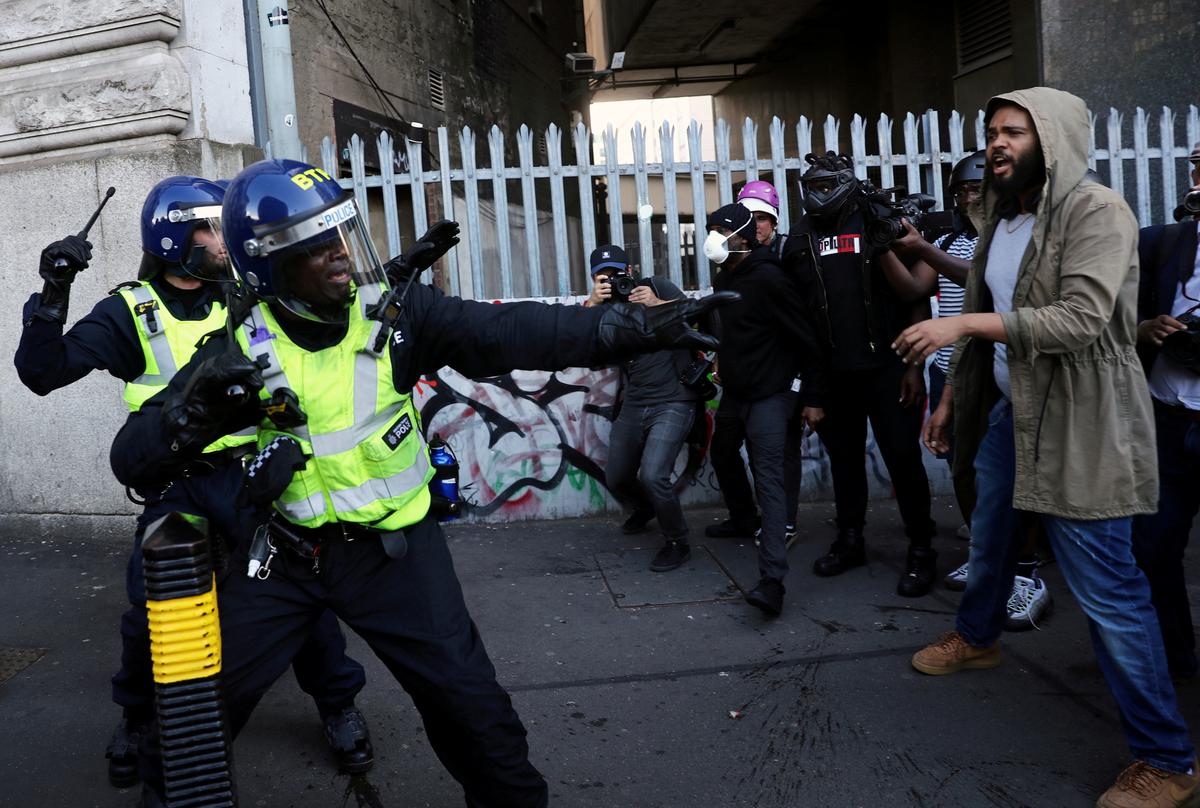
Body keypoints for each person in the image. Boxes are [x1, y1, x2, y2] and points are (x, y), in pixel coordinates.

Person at [108, 158, 734, 806]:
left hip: (394, 555)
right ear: (268, 267)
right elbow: (131, 459)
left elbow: (512, 332)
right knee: (190, 716)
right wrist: (194, 412)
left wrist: (630, 328)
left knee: (475, 717)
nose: (341, 259)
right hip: (284, 557)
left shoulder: (396, 315)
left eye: (340, 237)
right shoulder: (238, 346)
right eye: (315, 249)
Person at [13, 176, 375, 785]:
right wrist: (55, 289)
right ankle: (136, 716)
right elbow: (41, 373)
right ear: (176, 235)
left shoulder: (246, 296)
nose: (224, 239)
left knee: (301, 591)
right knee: (148, 609)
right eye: (210, 227)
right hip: (175, 481)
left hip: (249, 476)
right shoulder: (130, 310)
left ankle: (337, 703)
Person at [896, 88, 1197, 808]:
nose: (997, 144)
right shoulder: (1002, 217)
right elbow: (976, 306)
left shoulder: (1096, 212)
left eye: (1013, 132)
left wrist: (959, 333)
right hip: (1014, 411)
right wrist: (948, 400)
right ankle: (979, 634)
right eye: (992, 132)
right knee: (993, 528)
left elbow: (1082, 319)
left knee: (1111, 592)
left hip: (1082, 422)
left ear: (1053, 139)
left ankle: (1168, 760)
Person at [783, 152, 939, 597]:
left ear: (848, 183)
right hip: (834, 377)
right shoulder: (799, 238)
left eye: (827, 184)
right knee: (845, 463)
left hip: (889, 369)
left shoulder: (878, 221)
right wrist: (812, 387)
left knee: (903, 461)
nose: (820, 193)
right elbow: (802, 318)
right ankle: (850, 540)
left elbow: (916, 293)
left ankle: (922, 548)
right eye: (812, 186)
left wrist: (913, 364)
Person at [704, 202, 826, 616]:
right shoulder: (725, 278)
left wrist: (811, 396)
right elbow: (729, 330)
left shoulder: (771, 278)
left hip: (773, 394)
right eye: (711, 229)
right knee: (721, 451)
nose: (715, 238)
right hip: (736, 393)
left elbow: (807, 339)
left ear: (744, 237)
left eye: (723, 230)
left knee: (769, 478)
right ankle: (742, 517)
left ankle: (771, 581)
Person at [701, 180, 804, 549]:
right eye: (751, 217)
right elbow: (727, 320)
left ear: (773, 224)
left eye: (763, 218)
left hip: (778, 382)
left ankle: (784, 526)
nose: (757, 224)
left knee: (777, 456)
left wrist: (806, 384)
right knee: (724, 449)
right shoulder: (728, 270)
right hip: (740, 380)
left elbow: (800, 328)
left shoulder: (786, 261)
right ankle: (745, 517)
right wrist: (719, 354)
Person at [1130, 143, 1200, 682]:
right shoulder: (1166, 241)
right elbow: (1102, 314)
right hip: (1166, 418)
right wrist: (1145, 329)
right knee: (1153, 549)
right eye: (1198, 165)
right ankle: (1176, 664)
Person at [587, 245, 700, 572]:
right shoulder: (601, 311)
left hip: (674, 399)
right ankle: (646, 508)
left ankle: (678, 542)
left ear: (631, 271)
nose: (614, 280)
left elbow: (697, 315)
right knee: (617, 476)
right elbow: (586, 354)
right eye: (603, 276)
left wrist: (658, 304)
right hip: (636, 402)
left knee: (653, 474)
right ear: (595, 279)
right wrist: (593, 305)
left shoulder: (656, 286)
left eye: (618, 273)